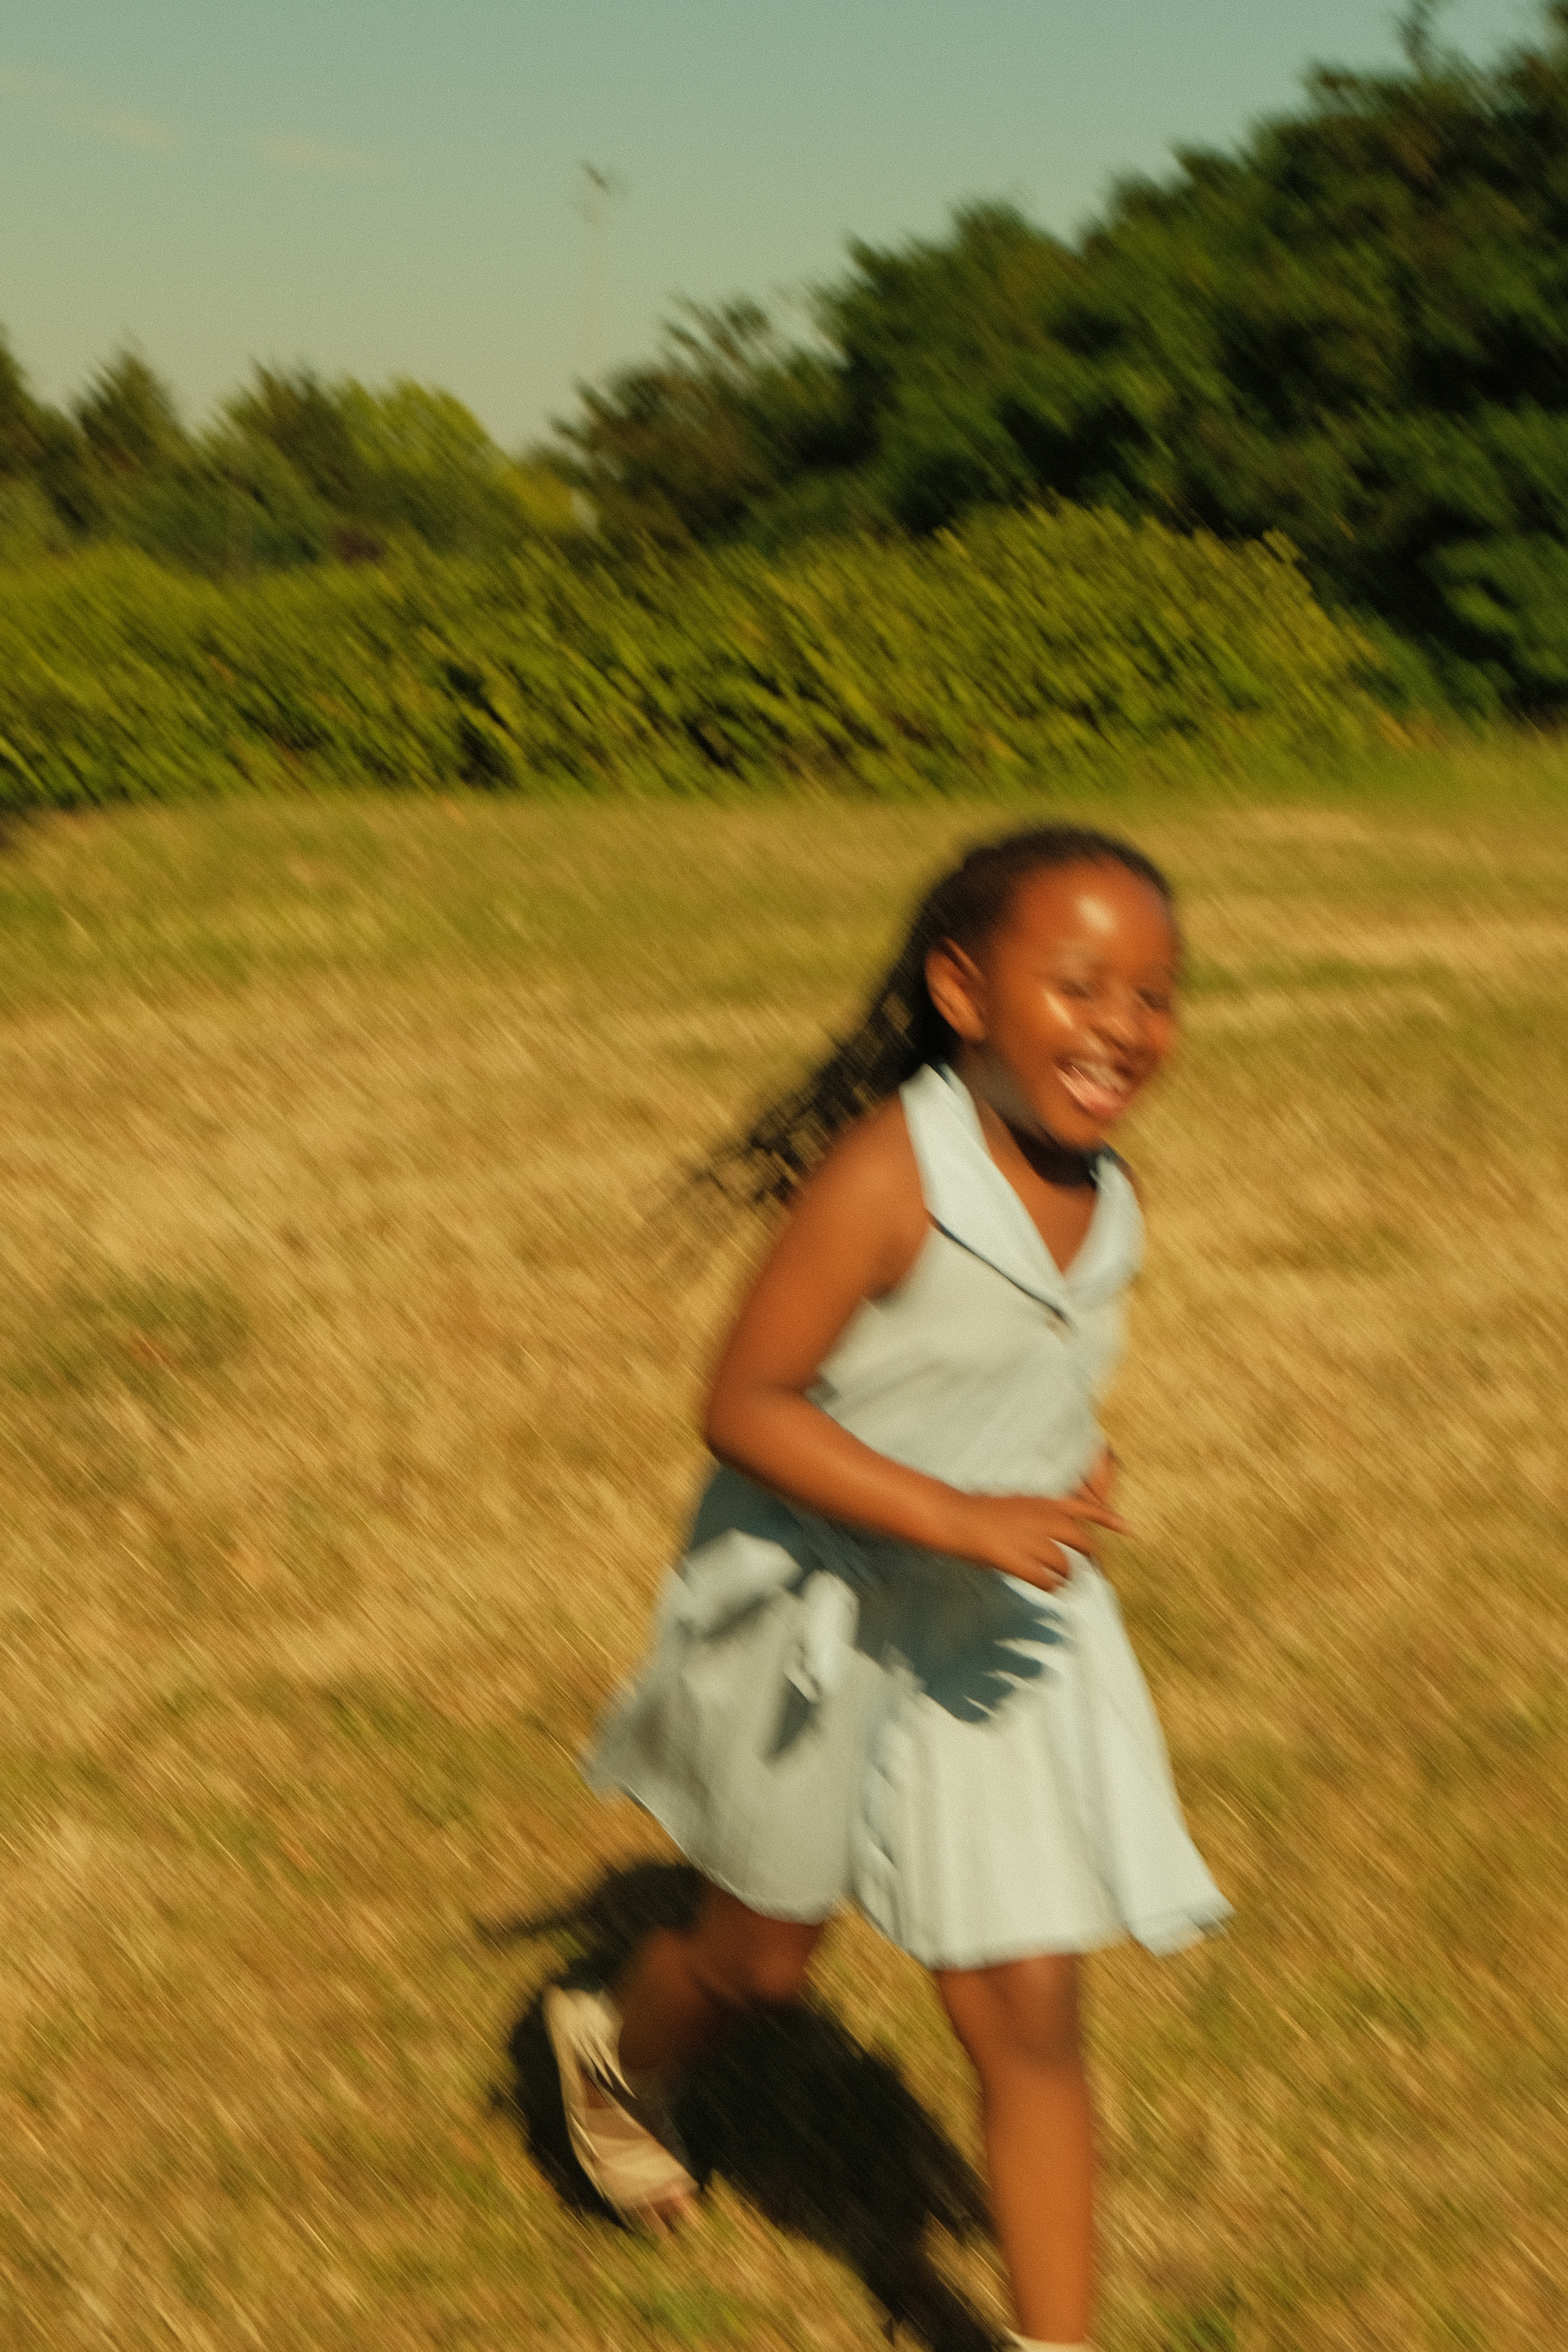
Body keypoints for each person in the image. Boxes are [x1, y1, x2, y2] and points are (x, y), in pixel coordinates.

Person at [545, 825, 1230, 2352]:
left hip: (987, 1629)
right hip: (811, 1603)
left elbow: (1023, 1365)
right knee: (760, 1953)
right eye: (1082, 984)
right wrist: (954, 1511)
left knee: (1028, 2014)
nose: (1126, 1023)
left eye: (1159, 994)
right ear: (961, 991)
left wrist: (1060, 1477)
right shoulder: (890, 1173)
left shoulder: (1104, 1187)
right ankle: (612, 2050)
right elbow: (747, 1403)